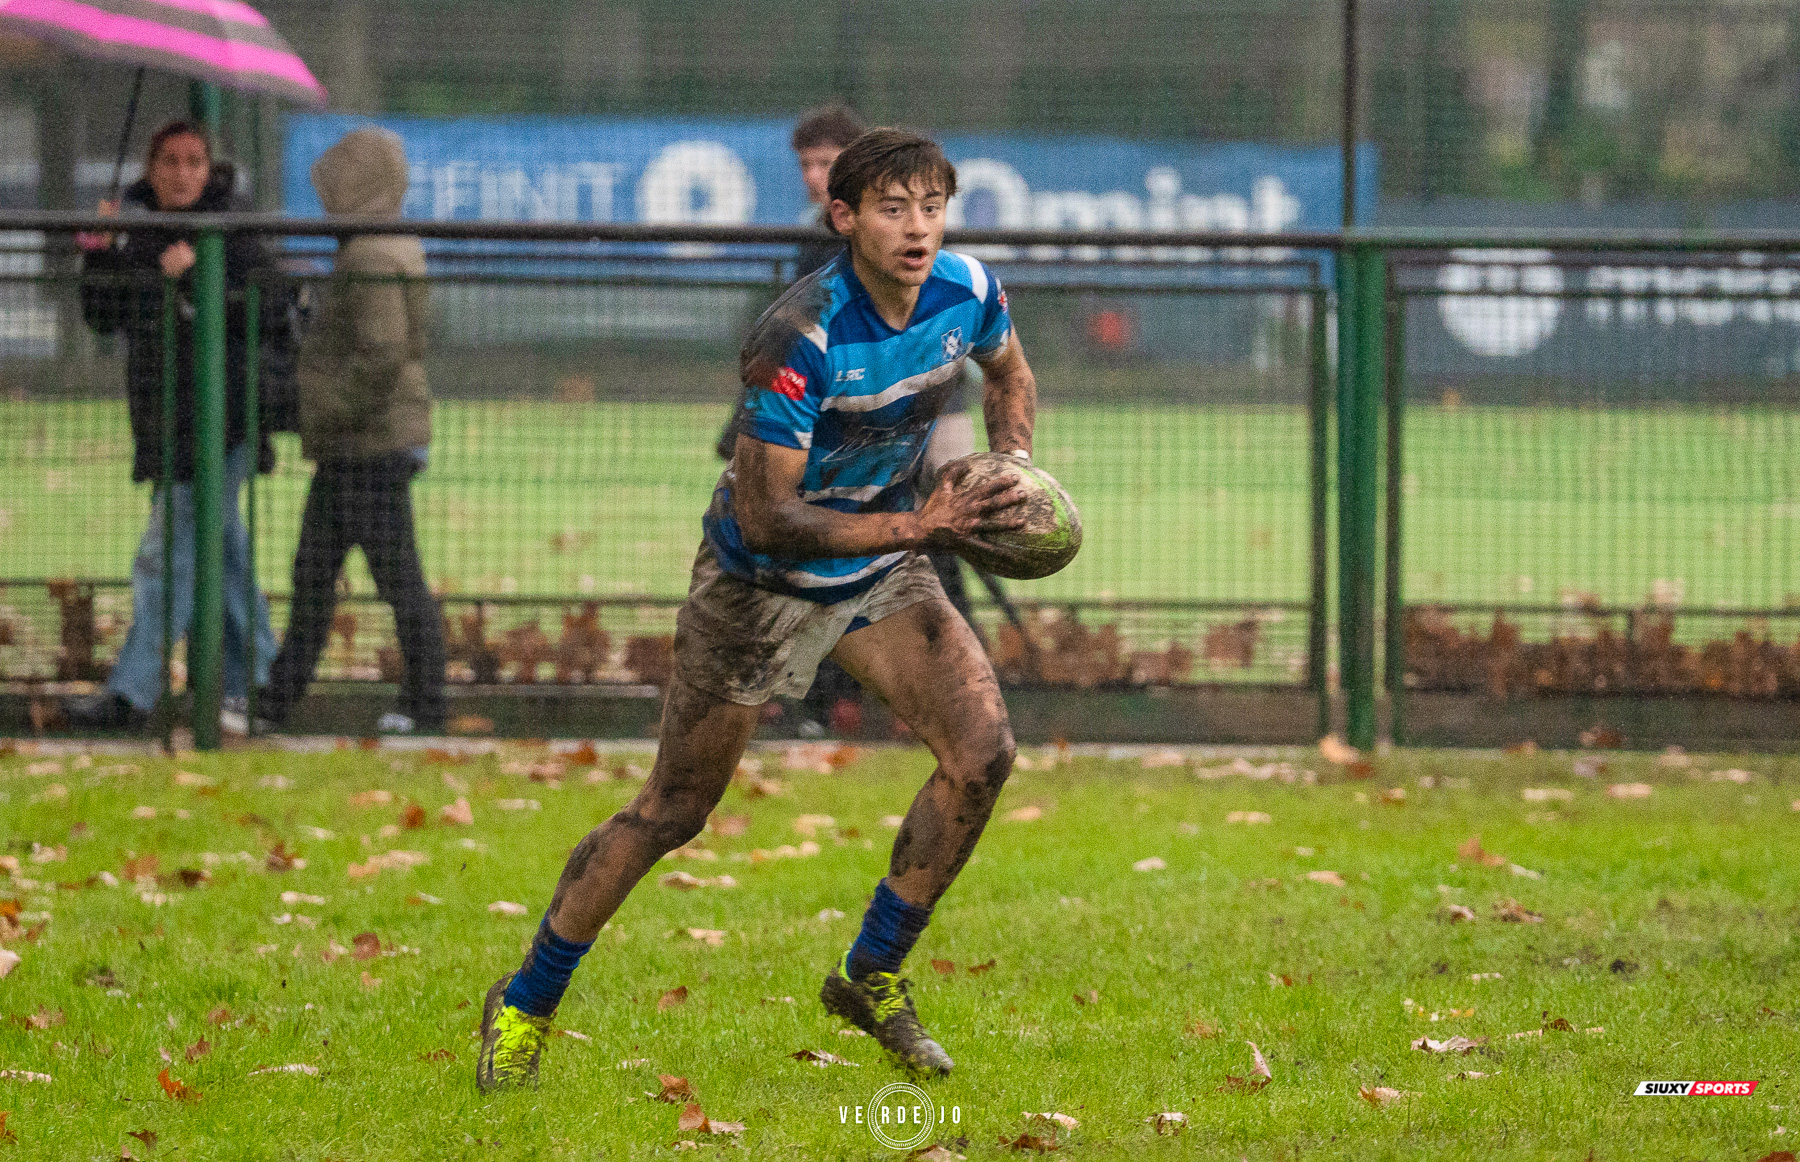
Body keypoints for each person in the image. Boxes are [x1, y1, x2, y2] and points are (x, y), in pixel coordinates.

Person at [477, 129, 1039, 1090]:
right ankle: (524, 999)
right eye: (893, 209)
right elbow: (767, 515)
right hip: (757, 588)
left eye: (932, 207)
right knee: (672, 812)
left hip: (883, 568)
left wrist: (1011, 465)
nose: (917, 229)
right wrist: (919, 525)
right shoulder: (800, 334)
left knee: (983, 753)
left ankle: (872, 975)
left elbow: (1011, 375)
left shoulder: (970, 291)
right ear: (844, 217)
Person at [65, 121, 283, 733]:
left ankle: (133, 693)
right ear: (150, 168)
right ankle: (254, 689)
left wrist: (195, 276)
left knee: (168, 553)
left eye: (194, 161)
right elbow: (103, 317)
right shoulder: (136, 230)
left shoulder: (234, 231)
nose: (183, 173)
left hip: (225, 426)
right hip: (165, 425)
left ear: (209, 169)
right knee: (225, 558)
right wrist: (100, 251)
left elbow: (267, 308)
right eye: (170, 161)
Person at [254, 127, 446, 736]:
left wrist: (319, 406)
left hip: (366, 446)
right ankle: (279, 702)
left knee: (375, 580)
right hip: (368, 443)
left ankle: (423, 704)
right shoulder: (389, 247)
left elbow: (380, 354)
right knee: (322, 575)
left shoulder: (367, 255)